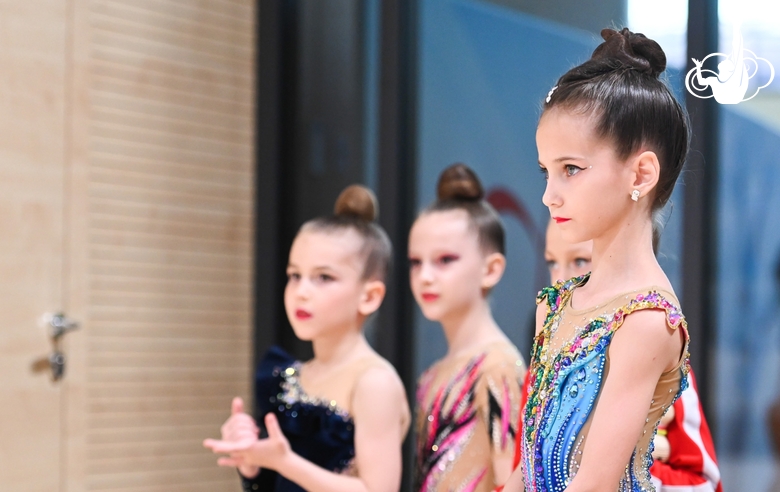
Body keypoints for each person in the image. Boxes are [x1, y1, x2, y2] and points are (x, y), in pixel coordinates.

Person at [504, 27, 694, 491]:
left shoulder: (648, 319)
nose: (549, 196)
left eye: (571, 169)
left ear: (641, 173)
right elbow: (525, 467)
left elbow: (595, 483)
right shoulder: (555, 303)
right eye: (546, 171)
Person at [203, 185, 410, 492]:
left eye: (323, 278)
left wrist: (286, 462)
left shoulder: (373, 381)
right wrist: (251, 459)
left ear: (369, 296)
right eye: (295, 275)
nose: (301, 292)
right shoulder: (291, 376)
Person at [537, 219, 722, 491]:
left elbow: (705, 482)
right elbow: (526, 467)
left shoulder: (659, 360)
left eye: (579, 261)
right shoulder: (545, 361)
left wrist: (634, 468)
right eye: (552, 262)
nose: (562, 278)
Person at [409, 163, 526, 492]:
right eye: (416, 262)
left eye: (445, 260)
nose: (426, 276)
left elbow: (511, 483)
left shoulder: (497, 368)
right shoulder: (433, 374)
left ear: (491, 269)